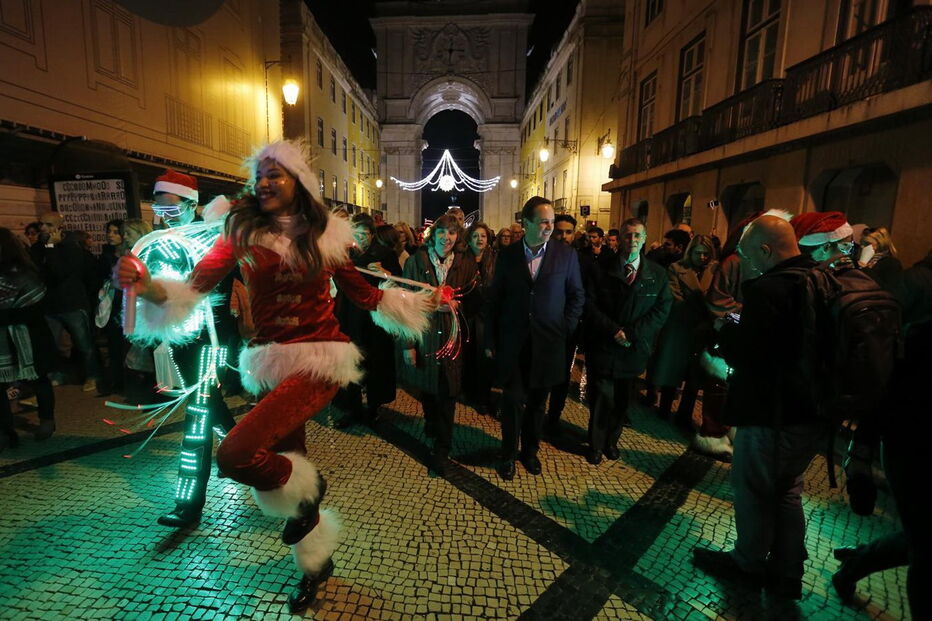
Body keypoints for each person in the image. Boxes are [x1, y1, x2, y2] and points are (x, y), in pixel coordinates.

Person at [116, 140, 436, 612]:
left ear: (298, 182)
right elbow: (195, 289)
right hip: (269, 362)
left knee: (237, 453)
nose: (264, 183)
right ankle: (314, 564)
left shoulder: (327, 235)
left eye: (275, 174)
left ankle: (312, 491)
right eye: (259, 176)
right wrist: (145, 287)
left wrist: (426, 305)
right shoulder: (240, 233)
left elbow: (364, 295)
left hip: (320, 361)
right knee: (292, 458)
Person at [693, 213, 828, 600]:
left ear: (767, 250)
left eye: (751, 256)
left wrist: (727, 332)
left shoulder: (770, 290)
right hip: (808, 414)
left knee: (751, 489)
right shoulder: (819, 278)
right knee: (787, 491)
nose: (747, 265)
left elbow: (747, 351)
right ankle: (788, 573)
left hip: (770, 414)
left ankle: (748, 562)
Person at [121, 170, 241, 529]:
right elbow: (143, 302)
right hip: (179, 342)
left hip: (211, 341)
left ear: (193, 204)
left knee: (198, 418)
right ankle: (247, 454)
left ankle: (188, 505)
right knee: (214, 412)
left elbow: (200, 286)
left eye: (171, 206)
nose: (162, 212)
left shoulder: (214, 240)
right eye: (158, 205)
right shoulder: (157, 242)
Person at [484, 197, 585, 480]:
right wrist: (491, 340)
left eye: (551, 222)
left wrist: (565, 327)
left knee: (538, 404)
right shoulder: (508, 255)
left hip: (548, 343)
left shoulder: (566, 256)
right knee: (514, 400)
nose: (549, 228)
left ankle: (530, 452)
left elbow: (577, 296)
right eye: (543, 222)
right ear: (525, 223)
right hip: (514, 343)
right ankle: (507, 454)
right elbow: (495, 300)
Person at [583, 218, 672, 464]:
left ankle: (612, 441)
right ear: (620, 238)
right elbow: (589, 304)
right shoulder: (601, 268)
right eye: (627, 235)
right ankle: (596, 444)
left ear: (644, 239)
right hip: (604, 343)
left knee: (622, 401)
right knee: (601, 397)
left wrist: (631, 333)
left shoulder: (657, 274)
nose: (632, 240)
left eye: (637, 236)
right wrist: (613, 330)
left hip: (634, 348)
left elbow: (662, 309)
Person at [398, 215, 478, 475]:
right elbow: (405, 304)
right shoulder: (416, 262)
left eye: (452, 233)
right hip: (426, 336)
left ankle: (442, 447)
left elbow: (474, 297)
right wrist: (407, 344)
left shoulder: (465, 264)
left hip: (452, 340)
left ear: (458, 237)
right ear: (433, 235)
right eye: (442, 232)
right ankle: (433, 425)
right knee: (429, 390)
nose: (447, 238)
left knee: (448, 392)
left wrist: (458, 305)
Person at [334, 214, 402, 428]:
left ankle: (373, 407)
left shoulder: (384, 254)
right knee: (351, 362)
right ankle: (352, 407)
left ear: (372, 235)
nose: (361, 237)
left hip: (374, 319)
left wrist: (385, 273)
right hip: (348, 316)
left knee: (375, 363)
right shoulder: (343, 255)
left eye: (366, 233)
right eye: (358, 233)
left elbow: (398, 281)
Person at [650, 235, 717, 435]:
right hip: (680, 328)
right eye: (698, 253)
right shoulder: (676, 268)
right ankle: (664, 407)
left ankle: (684, 414)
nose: (702, 257)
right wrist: (704, 304)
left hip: (703, 330)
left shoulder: (715, 270)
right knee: (673, 368)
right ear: (691, 252)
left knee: (694, 375)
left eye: (706, 253)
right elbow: (675, 299)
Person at [31, 211, 102, 392]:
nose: (43, 228)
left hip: (72, 303)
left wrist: (51, 249)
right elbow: (38, 272)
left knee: (84, 343)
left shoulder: (71, 247)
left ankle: (93, 375)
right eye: (42, 224)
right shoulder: (38, 248)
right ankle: (58, 374)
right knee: (52, 345)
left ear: (58, 228)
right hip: (50, 304)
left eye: (48, 224)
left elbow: (59, 272)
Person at [0, 228, 57, 447]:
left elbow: (37, 306)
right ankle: (6, 430)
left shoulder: (24, 274)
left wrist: (5, 315)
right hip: (4, 339)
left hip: (30, 337)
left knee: (39, 379)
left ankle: (47, 420)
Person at [544, 214, 582, 436]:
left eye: (568, 232)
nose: (563, 236)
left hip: (566, 329)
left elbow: (580, 295)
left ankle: (554, 417)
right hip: (542, 328)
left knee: (561, 375)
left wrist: (568, 325)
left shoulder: (579, 259)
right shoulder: (541, 255)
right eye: (560, 231)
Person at [462, 221, 496, 416]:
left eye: (482, 236)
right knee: (467, 356)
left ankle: (483, 396)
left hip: (486, 315)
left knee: (485, 357)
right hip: (467, 314)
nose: (479, 239)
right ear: (469, 239)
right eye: (475, 236)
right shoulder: (462, 259)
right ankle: (468, 391)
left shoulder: (495, 258)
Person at [857, 226, 902, 292]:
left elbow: (891, 290)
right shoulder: (859, 259)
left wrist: (865, 269)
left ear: (880, 244)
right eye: (862, 243)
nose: (862, 246)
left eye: (867, 244)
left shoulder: (891, 264)